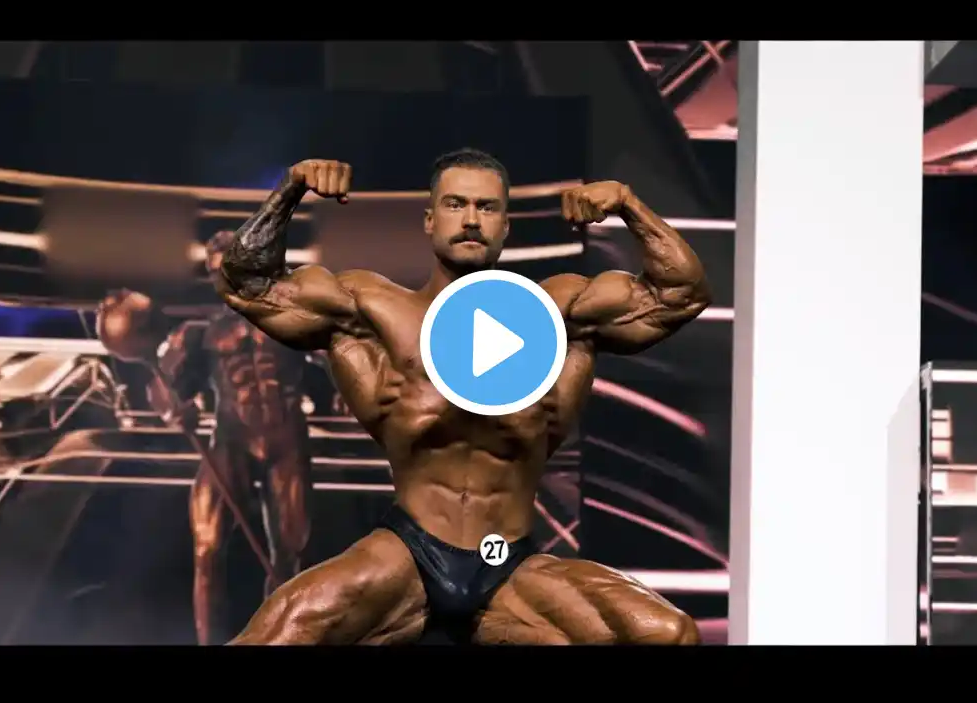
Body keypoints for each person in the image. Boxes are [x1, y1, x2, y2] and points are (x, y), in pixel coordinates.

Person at [215, 150, 709, 645]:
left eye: (486, 207)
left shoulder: (557, 315)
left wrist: (627, 204)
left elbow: (680, 294)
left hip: (511, 565)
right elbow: (248, 286)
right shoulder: (374, 313)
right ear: (429, 220)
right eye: (455, 204)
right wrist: (291, 189)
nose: (471, 219)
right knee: (276, 636)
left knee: (668, 634)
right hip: (407, 556)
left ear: (505, 227)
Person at [95, 230, 313, 645]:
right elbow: (165, 387)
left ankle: (281, 636)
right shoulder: (201, 334)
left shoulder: (292, 321)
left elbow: (337, 356)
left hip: (286, 440)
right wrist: (173, 408)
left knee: (290, 552)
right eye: (217, 271)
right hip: (232, 442)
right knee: (207, 547)